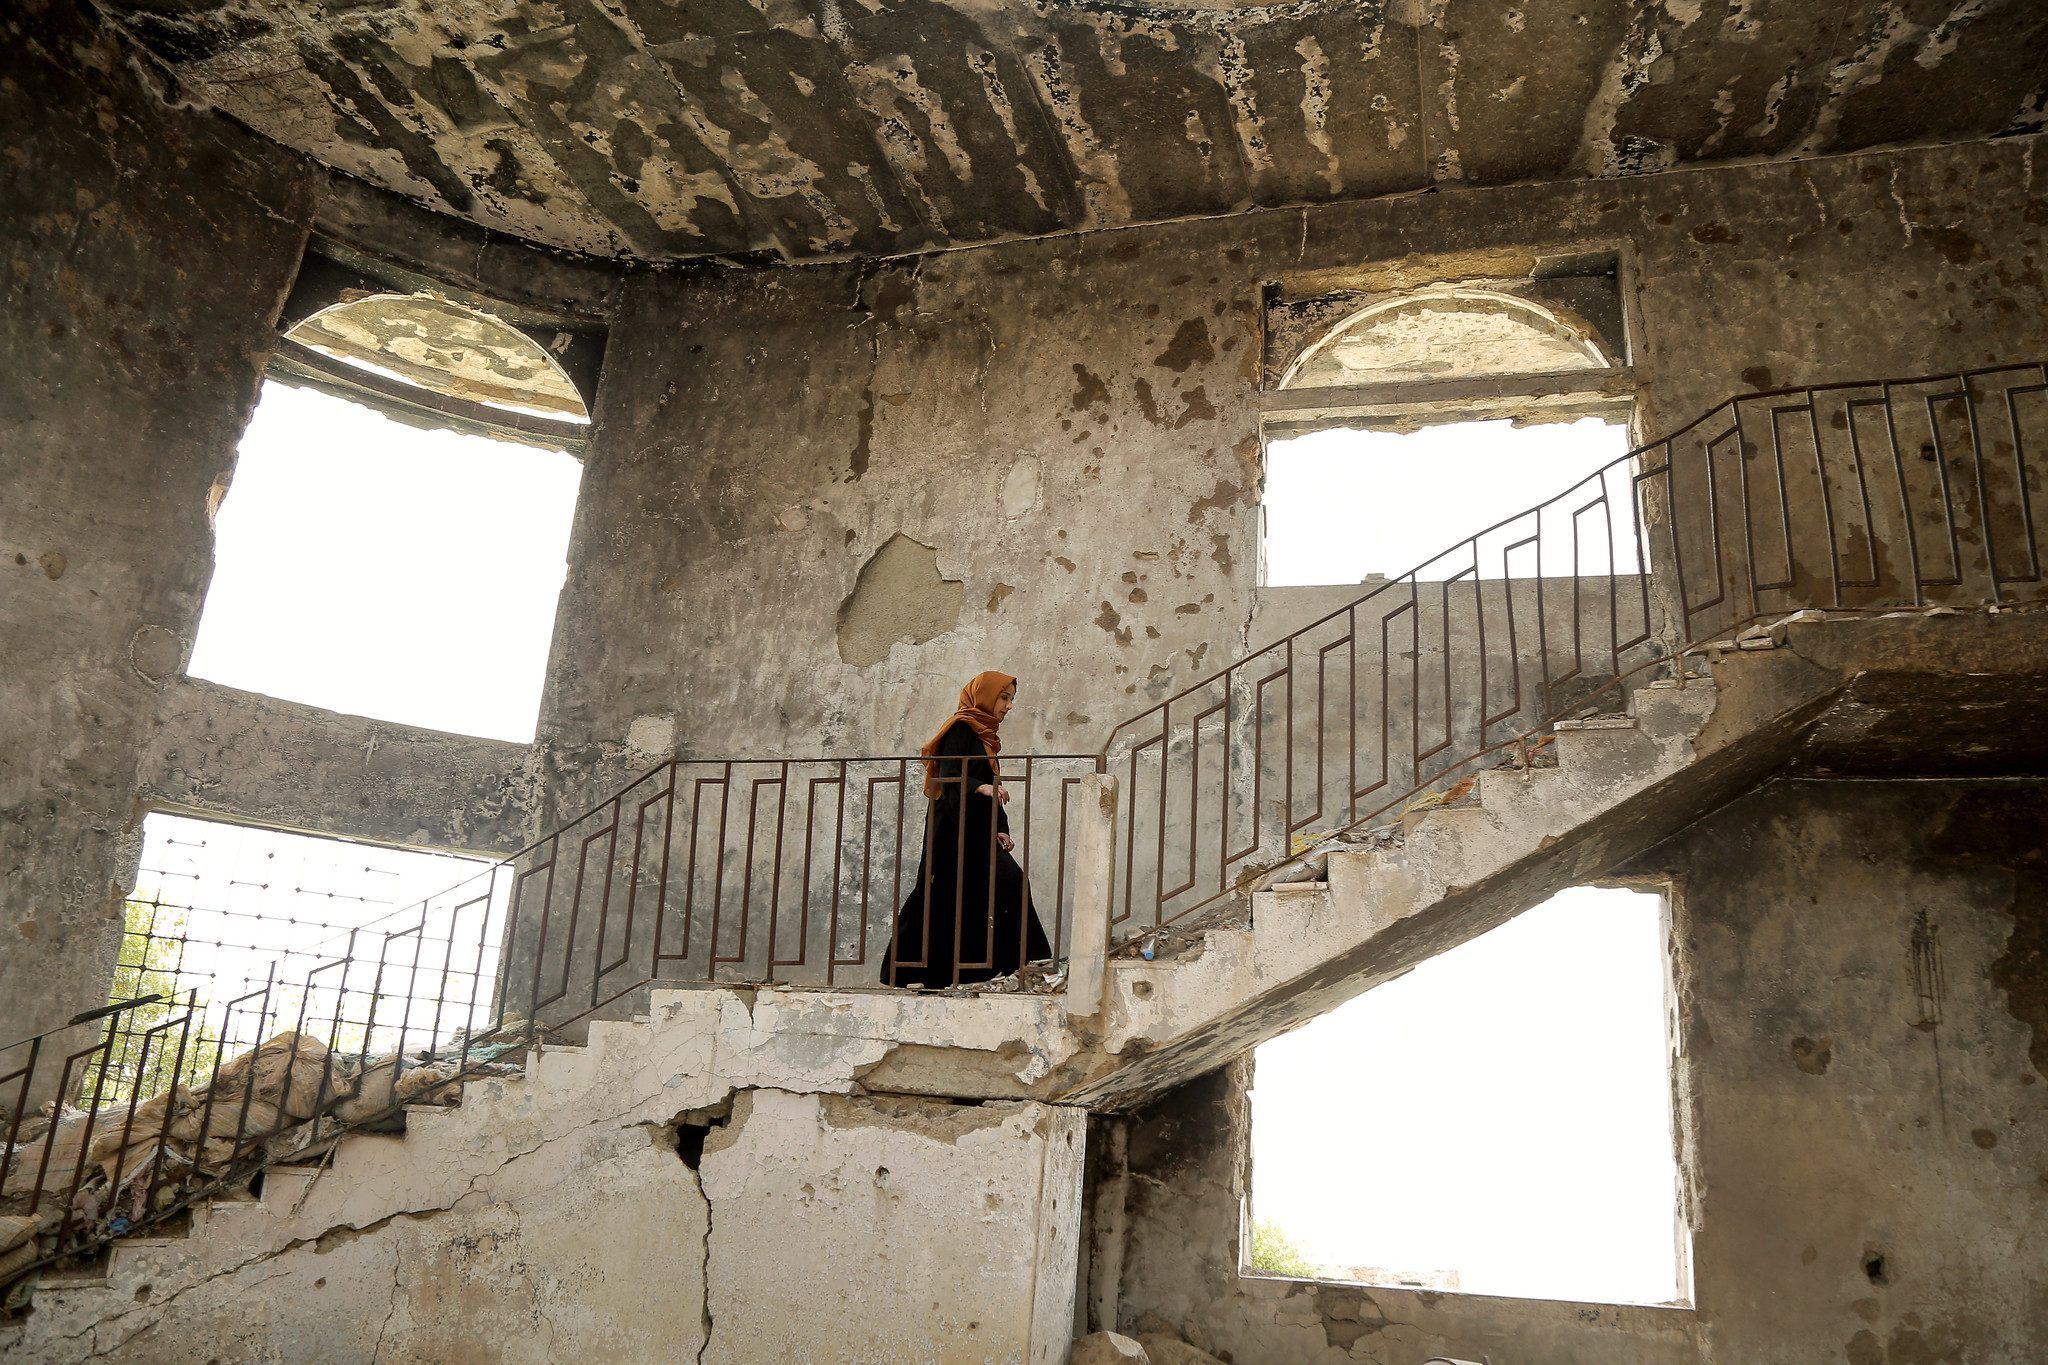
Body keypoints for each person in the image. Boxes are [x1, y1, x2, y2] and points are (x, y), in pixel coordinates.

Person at [883, 671, 1053, 988]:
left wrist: (1001, 826)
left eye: (1011, 699)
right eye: (1004, 697)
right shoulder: (961, 729)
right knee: (944, 895)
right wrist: (983, 790)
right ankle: (919, 973)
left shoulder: (984, 736)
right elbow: (949, 779)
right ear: (985, 696)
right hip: (951, 832)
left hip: (977, 831)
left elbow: (989, 782)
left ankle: (992, 970)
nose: (1009, 705)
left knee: (980, 896)